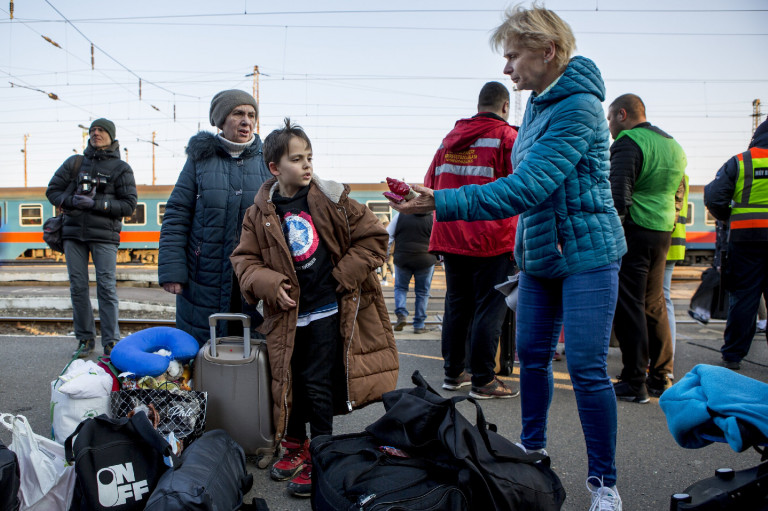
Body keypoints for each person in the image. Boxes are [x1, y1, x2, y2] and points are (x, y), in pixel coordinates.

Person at [390, 6, 626, 509]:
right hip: (540, 253)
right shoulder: (537, 106)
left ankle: (604, 484)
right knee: (532, 360)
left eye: (513, 55)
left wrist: (440, 200)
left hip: (587, 253)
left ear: (548, 51)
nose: (506, 68)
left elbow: (528, 186)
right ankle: (532, 452)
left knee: (584, 368)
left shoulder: (579, 108)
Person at [230, 118, 399, 498]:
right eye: (296, 159)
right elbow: (244, 262)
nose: (307, 165)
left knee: (317, 384)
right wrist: (270, 285)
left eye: (309, 157)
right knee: (287, 381)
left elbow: (374, 238)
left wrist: (344, 274)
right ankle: (293, 443)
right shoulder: (259, 213)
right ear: (275, 168)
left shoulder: (333, 199)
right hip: (285, 318)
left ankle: (320, 450)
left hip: (325, 310)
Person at [423, 81, 519, 398]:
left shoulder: (447, 141)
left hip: (451, 233)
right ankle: (484, 380)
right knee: (490, 308)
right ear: (505, 106)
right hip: (492, 236)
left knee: (457, 305)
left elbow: (429, 185)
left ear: (479, 105)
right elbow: (521, 189)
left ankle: (454, 373)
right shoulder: (507, 137)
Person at [158, 89, 271, 345]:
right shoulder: (200, 159)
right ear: (221, 120)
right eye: (238, 113)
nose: (247, 121)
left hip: (251, 274)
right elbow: (177, 214)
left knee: (250, 349)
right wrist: (172, 270)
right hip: (203, 276)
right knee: (202, 347)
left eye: (251, 115)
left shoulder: (268, 160)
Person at [606, 93, 687, 403]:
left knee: (629, 305)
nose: (609, 124)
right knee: (654, 304)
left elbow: (618, 194)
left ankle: (633, 380)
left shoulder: (628, 142)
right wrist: (669, 220)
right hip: (663, 231)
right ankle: (661, 376)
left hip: (634, 231)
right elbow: (679, 193)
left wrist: (615, 233)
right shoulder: (673, 145)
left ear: (623, 114)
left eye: (611, 117)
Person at [46, 118, 137, 358]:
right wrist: (69, 200)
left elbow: (129, 205)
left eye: (101, 130)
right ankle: (85, 340)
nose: (96, 133)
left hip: (105, 236)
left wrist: (96, 203)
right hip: (73, 233)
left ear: (111, 136)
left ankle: (111, 342)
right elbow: (52, 191)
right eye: (93, 130)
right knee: (78, 287)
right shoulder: (75, 163)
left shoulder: (121, 169)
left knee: (106, 288)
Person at [704, 118, 768, 370]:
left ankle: (733, 355)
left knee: (744, 298)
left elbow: (714, 196)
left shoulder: (741, 161)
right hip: (748, 239)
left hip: (746, 239)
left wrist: (728, 218)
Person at [386, 210, 437, 333]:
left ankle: (401, 314)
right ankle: (419, 325)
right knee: (422, 292)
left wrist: (386, 253)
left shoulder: (400, 216)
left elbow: (388, 235)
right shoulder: (433, 217)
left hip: (403, 258)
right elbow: (439, 238)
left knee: (400, 288)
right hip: (426, 259)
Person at [664, 173, 689, 378]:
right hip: (675, 240)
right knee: (665, 299)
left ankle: (658, 359)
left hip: (661, 238)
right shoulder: (683, 175)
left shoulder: (662, 172)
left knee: (655, 300)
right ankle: (667, 356)